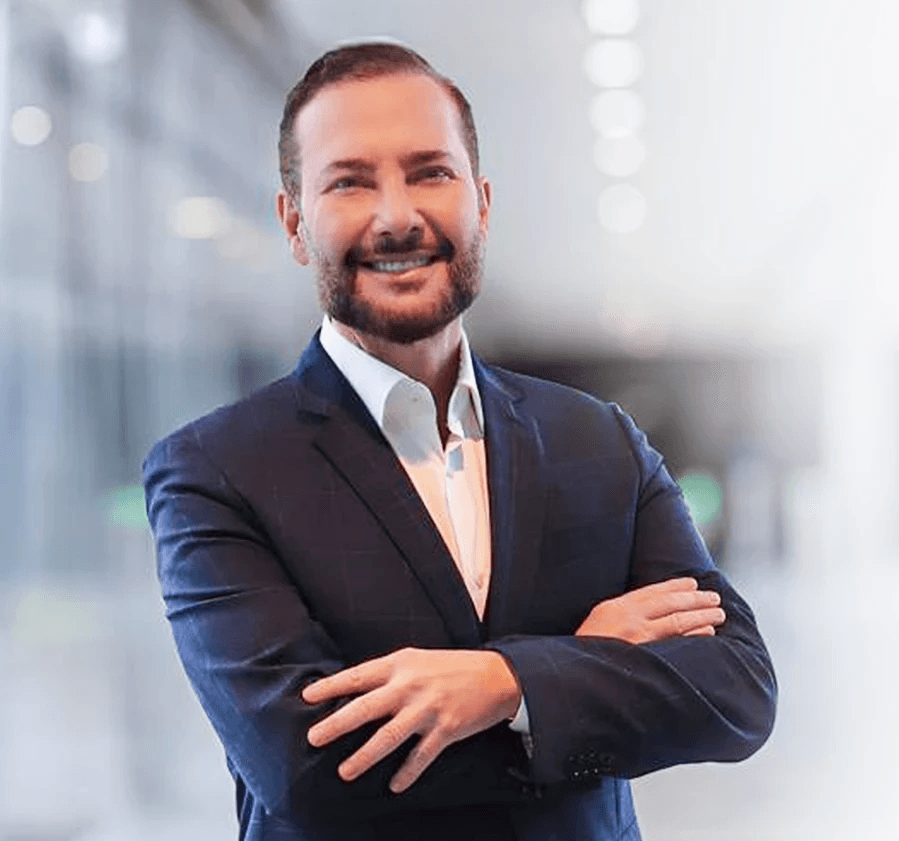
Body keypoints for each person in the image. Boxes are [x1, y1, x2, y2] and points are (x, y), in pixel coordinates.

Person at [143, 42, 776, 841]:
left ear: (480, 201)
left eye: (429, 172)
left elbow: (735, 687)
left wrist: (503, 680)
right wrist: (571, 677)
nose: (396, 215)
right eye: (349, 181)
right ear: (295, 221)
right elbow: (303, 769)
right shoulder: (214, 471)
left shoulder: (597, 439)